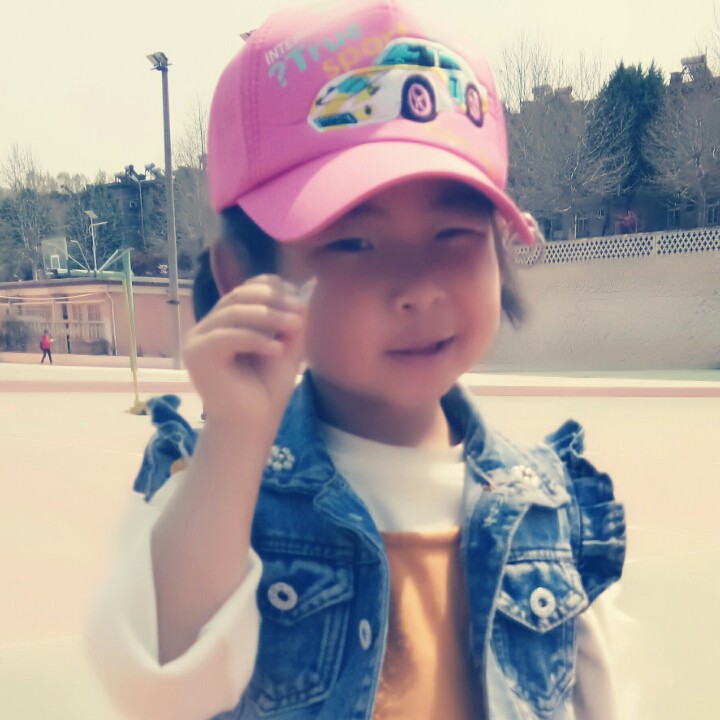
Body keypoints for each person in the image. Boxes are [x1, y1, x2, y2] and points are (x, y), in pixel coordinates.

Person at [86, 2, 626, 719]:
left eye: (454, 232)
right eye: (352, 243)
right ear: (247, 277)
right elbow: (159, 680)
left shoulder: (549, 506)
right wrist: (237, 438)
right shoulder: (214, 486)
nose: (418, 287)